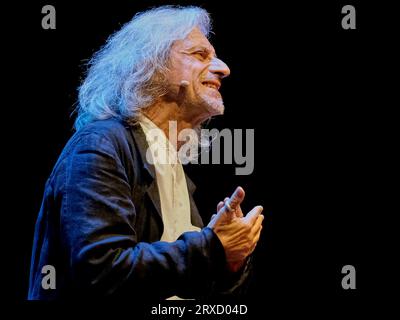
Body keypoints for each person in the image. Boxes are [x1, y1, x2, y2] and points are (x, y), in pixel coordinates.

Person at [28, 5, 264, 300]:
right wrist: (212, 246)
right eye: (199, 55)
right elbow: (101, 271)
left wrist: (230, 258)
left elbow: (183, 283)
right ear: (150, 64)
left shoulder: (170, 165)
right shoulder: (100, 145)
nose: (223, 68)